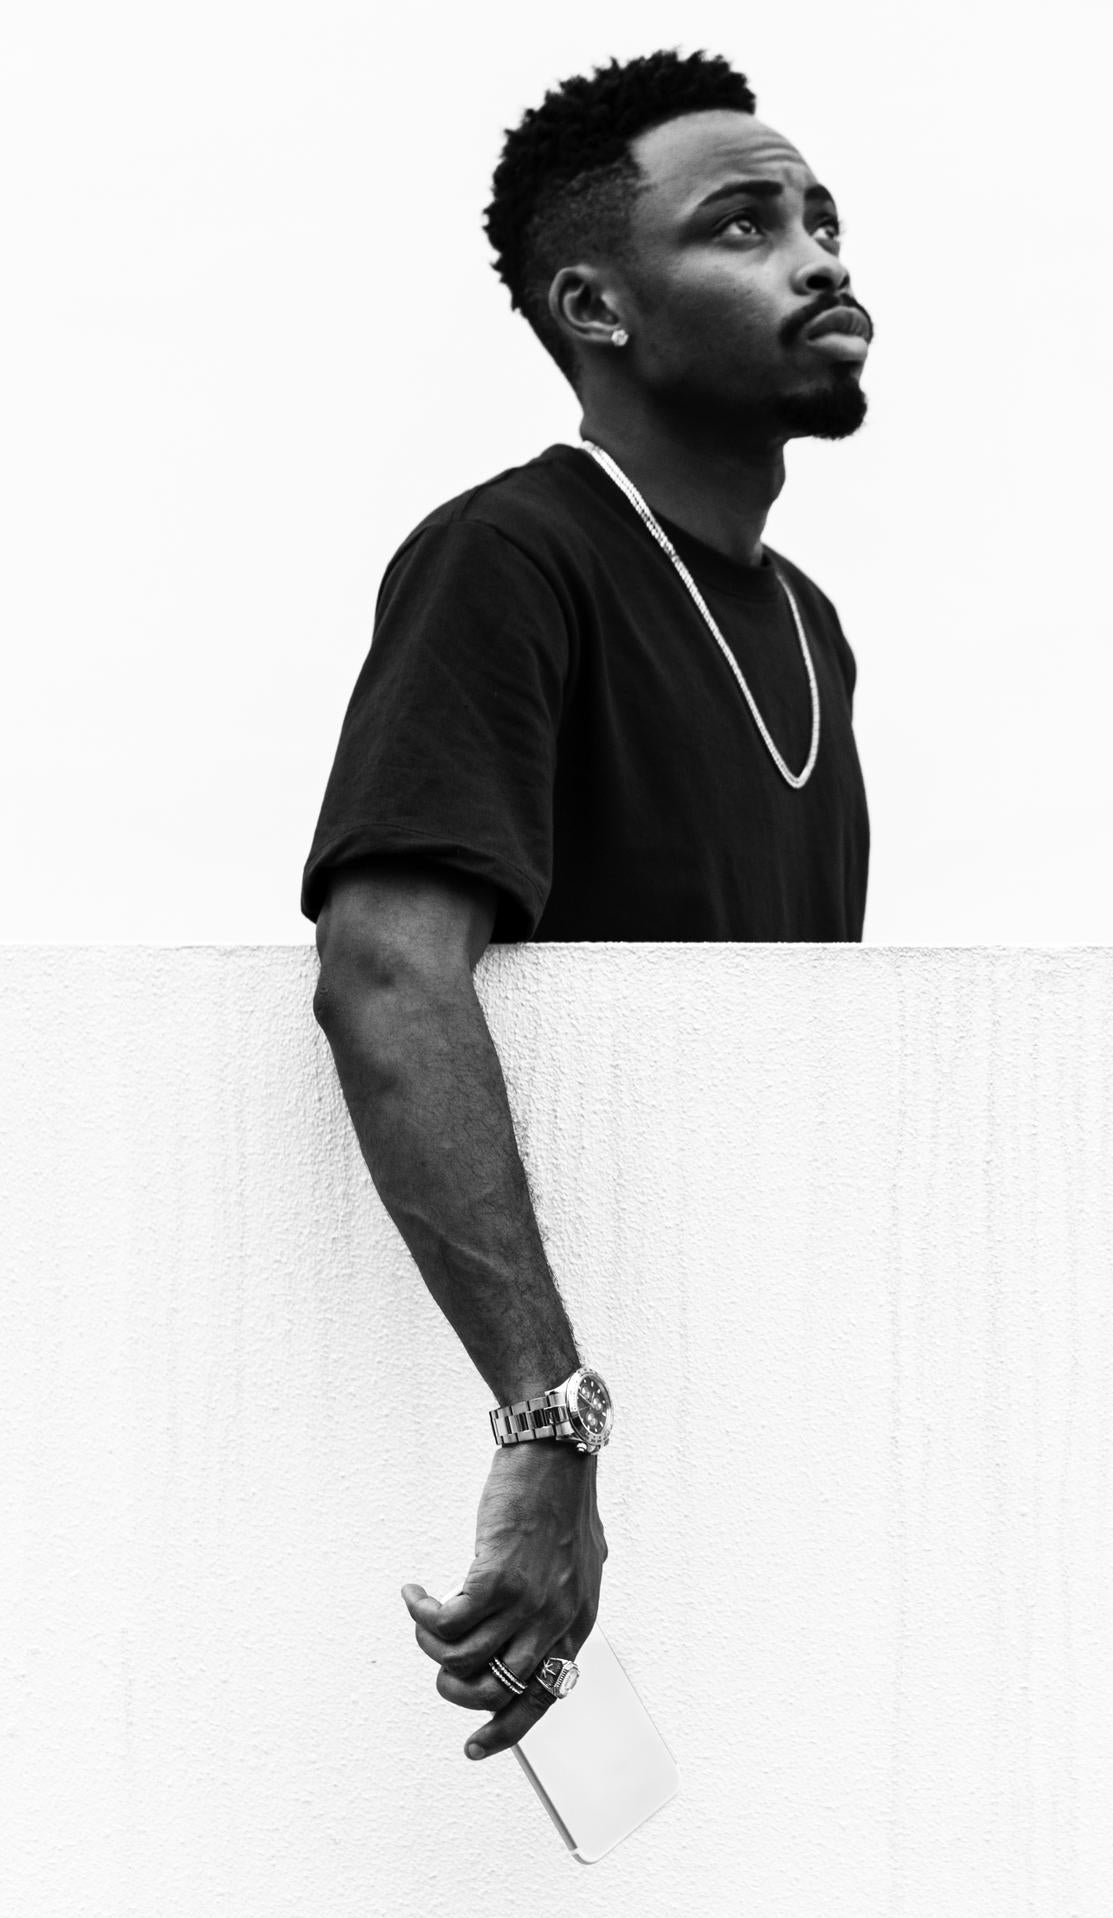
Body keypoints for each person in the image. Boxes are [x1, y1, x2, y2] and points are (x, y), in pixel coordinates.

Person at [304, 49, 872, 1762]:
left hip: (770, 1435)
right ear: (597, 305)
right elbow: (388, 974)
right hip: (561, 1426)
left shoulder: (812, 634)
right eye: (748, 224)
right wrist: (549, 1426)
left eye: (824, 218)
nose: (823, 257)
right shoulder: (513, 559)